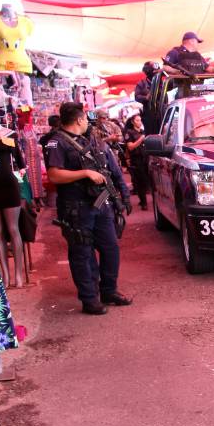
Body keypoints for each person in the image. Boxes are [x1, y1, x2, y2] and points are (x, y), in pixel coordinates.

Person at [44, 102, 132, 316]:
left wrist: (122, 196)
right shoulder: (57, 143)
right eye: (85, 119)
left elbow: (109, 167)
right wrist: (84, 174)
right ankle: (89, 298)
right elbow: (54, 175)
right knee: (83, 253)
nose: (87, 122)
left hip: (101, 204)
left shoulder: (89, 139)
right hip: (76, 207)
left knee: (110, 248)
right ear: (79, 120)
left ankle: (109, 291)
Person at [123, 114, 151, 211]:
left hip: (145, 158)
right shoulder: (129, 133)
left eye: (140, 120)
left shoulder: (143, 132)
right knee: (140, 180)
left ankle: (142, 199)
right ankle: (143, 202)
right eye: (137, 120)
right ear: (132, 122)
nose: (139, 122)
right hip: (136, 159)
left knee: (146, 179)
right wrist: (141, 139)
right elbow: (130, 147)